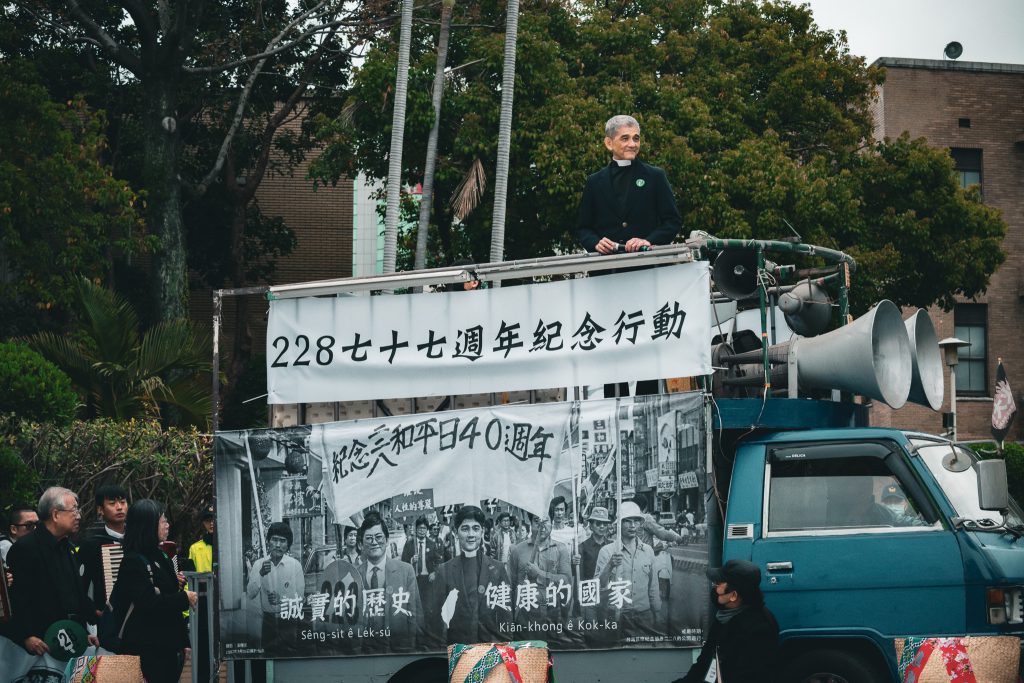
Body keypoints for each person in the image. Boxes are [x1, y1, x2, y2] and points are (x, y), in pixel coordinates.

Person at [576, 114, 682, 398]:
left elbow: (672, 222)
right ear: (608, 143)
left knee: (645, 337)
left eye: (636, 138)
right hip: (607, 278)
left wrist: (648, 240)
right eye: (625, 138)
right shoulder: (594, 182)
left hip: (645, 274)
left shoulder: (655, 177)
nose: (632, 144)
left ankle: (648, 400)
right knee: (614, 340)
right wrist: (595, 242)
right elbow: (583, 228)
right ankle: (614, 400)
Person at [6, 487, 97, 655]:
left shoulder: (68, 547)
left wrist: (84, 633)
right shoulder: (25, 548)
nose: (78, 515)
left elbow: (74, 595)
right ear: (55, 515)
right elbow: (18, 598)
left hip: (70, 639)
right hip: (40, 644)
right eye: (74, 510)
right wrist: (26, 636)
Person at [114, 499, 197, 683]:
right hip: (145, 650)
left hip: (167, 647)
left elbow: (169, 599)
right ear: (148, 525)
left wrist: (183, 642)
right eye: (162, 521)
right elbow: (149, 603)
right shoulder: (133, 561)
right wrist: (184, 598)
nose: (167, 525)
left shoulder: (161, 555)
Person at [675, 559, 778, 683]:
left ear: (733, 595)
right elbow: (704, 661)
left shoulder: (759, 629)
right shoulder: (724, 617)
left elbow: (748, 676)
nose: (714, 587)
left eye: (718, 583)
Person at [433, 505, 511, 644]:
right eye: (465, 528)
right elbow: (436, 622)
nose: (471, 534)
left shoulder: (497, 569)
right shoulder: (444, 570)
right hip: (458, 650)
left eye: (475, 528)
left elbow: (506, 619)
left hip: (490, 650)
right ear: (456, 533)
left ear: (482, 531)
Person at [357, 511, 423, 652]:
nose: (374, 542)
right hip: (364, 655)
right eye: (368, 538)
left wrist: (410, 651)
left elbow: (415, 616)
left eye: (378, 537)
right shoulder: (354, 575)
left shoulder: (406, 571)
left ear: (387, 541)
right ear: (361, 544)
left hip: (399, 652)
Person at [594, 501, 660, 635]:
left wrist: (657, 614)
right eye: (627, 521)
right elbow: (597, 586)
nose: (632, 526)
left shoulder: (648, 551)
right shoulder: (607, 551)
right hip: (617, 615)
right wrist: (610, 565)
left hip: (644, 616)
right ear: (619, 524)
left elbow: (653, 586)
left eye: (636, 521)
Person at [246, 521, 304, 653]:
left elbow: (300, 599)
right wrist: (260, 574)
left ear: (288, 544)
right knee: (269, 659)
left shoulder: (295, 566)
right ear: (268, 541)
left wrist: (282, 600)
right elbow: (250, 594)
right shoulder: (259, 564)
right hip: (268, 622)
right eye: (274, 540)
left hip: (289, 621)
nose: (278, 545)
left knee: (289, 658)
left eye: (282, 541)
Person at [508, 514, 571, 629]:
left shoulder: (561, 549)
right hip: (524, 617)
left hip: (553, 616)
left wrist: (539, 574)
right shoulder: (518, 550)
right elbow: (510, 586)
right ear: (530, 523)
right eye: (537, 521)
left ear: (551, 523)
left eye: (545, 522)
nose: (542, 526)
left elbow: (566, 582)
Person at [78, 483, 129, 617]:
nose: (119, 508)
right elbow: (78, 586)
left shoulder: (138, 538)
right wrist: (93, 611)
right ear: (100, 510)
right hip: (106, 617)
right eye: (112, 504)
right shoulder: (91, 545)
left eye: (123, 502)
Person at [578, 506, 613, 581]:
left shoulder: (611, 546)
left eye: (605, 524)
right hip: (590, 588)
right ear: (591, 526)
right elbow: (580, 575)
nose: (602, 527)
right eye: (598, 523)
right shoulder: (582, 547)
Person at [188, 504, 215, 573]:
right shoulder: (194, 548)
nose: (211, 523)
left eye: (214, 520)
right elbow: (189, 577)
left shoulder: (229, 548)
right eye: (208, 520)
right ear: (204, 523)